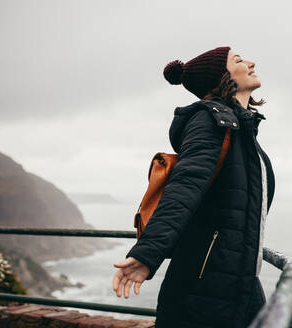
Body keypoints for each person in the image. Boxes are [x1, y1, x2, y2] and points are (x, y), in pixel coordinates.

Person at [112, 46, 275, 328]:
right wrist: (146, 254)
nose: (250, 62)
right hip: (205, 286)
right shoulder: (210, 120)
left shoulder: (240, 127)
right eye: (238, 60)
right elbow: (184, 188)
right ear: (221, 75)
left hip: (238, 279)